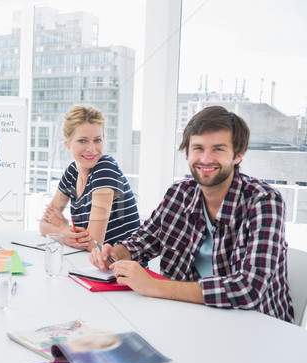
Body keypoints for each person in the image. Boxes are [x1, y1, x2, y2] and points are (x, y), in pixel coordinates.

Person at [90, 106, 294, 322]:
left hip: (256, 326)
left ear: (238, 155)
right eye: (198, 148)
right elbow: (143, 242)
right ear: (187, 152)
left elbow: (249, 289)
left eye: (218, 149)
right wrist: (116, 254)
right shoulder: (179, 193)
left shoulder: (264, 201)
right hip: (187, 317)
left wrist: (154, 286)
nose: (206, 159)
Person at [40, 104, 141, 251]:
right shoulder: (72, 172)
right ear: (67, 143)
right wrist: (63, 232)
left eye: (97, 140)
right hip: (94, 265)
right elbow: (43, 224)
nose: (92, 149)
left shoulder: (105, 168)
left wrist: (62, 226)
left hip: (120, 268)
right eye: (83, 140)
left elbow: (94, 243)